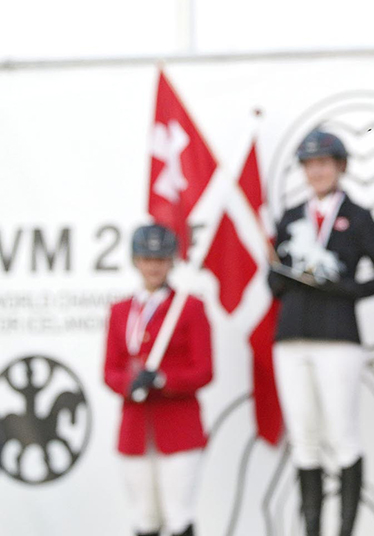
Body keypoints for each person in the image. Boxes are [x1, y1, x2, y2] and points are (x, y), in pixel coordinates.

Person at [268, 128, 374, 536]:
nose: (317, 171)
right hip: (291, 338)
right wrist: (283, 278)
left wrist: (346, 290)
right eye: (310, 164)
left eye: (324, 163)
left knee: (342, 436)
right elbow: (272, 281)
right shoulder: (290, 218)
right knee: (303, 438)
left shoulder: (357, 217)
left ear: (340, 166)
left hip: (338, 337)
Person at [103, 224, 213, 536]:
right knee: (145, 516)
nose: (154, 266)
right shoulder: (121, 311)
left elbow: (204, 370)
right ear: (136, 261)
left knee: (178, 514)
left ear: (171, 262)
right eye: (147, 258)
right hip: (136, 428)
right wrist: (129, 383)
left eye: (161, 259)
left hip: (179, 428)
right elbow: (110, 369)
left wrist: (165, 379)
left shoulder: (189, 307)